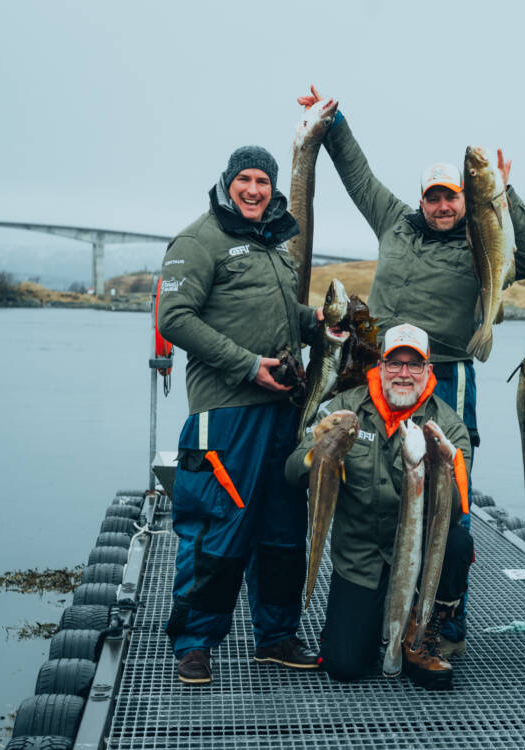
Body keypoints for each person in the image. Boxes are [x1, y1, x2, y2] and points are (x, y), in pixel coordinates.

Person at [297, 85, 525, 650]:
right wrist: (332, 125)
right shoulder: (393, 219)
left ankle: (443, 615)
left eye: (452, 197)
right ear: (422, 199)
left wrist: (507, 196)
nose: (442, 206)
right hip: (375, 370)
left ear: (467, 199)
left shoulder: (484, 242)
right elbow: (358, 176)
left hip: (446, 372)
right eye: (434, 198)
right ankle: (374, 589)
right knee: (372, 478)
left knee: (448, 493)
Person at [157, 145, 322, 685]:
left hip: (283, 410)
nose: (254, 190)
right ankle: (194, 643)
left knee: (282, 530)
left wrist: (317, 322)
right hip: (225, 413)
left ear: (273, 189)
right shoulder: (198, 240)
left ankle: (276, 636)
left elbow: (281, 315)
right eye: (245, 180)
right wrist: (248, 366)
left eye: (263, 182)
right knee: (216, 529)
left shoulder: (273, 244)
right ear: (228, 182)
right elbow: (174, 317)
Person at [285, 323, 473, 690]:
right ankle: (362, 625)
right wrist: (320, 449)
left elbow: (454, 511)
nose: (404, 373)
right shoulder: (343, 408)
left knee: (458, 543)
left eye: (414, 364)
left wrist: (439, 467)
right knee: (345, 665)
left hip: (419, 558)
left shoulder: (448, 426)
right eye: (395, 363)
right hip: (362, 559)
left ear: (428, 370)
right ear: (380, 366)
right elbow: (292, 472)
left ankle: (423, 630)